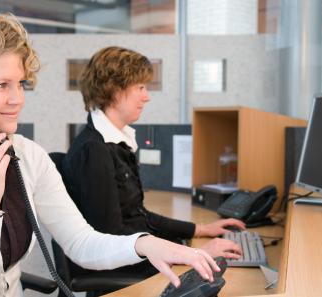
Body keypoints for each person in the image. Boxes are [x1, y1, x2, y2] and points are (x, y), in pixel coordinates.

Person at [0, 15, 221, 297]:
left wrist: (145, 244)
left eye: (20, 83)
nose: (17, 99)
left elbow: (81, 243)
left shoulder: (25, 155)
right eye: (1, 85)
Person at [62, 46, 245, 277]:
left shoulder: (115, 143)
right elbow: (111, 239)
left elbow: (140, 216)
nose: (146, 96)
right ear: (114, 90)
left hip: (137, 256)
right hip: (119, 269)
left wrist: (200, 230)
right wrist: (190, 253)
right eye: (140, 87)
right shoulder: (93, 151)